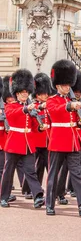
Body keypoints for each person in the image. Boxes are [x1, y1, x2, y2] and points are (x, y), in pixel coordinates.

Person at [45, 59, 81, 217]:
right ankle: (49, 204)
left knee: (76, 173)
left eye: (69, 84)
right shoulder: (52, 100)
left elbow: (77, 121)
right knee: (54, 174)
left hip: (73, 141)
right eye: (64, 85)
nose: (67, 87)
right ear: (57, 85)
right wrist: (69, 107)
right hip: (58, 141)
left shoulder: (72, 101)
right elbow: (55, 112)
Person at [0, 69, 45, 209]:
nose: (25, 94)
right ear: (17, 93)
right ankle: (4, 197)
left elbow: (33, 125)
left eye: (27, 92)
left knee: (31, 171)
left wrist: (39, 126)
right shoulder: (10, 106)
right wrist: (26, 110)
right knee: (8, 171)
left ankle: (38, 196)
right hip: (14, 143)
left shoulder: (29, 107)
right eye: (22, 92)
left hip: (27, 143)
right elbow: (12, 115)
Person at [21, 72, 51, 198]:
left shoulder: (47, 106)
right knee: (33, 168)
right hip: (35, 140)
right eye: (44, 93)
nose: (46, 95)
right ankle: (28, 189)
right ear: (38, 94)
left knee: (45, 166)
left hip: (46, 140)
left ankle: (49, 190)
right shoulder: (34, 106)